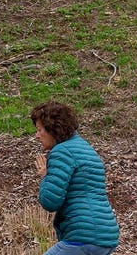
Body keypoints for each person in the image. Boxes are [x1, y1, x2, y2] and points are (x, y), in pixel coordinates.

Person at [30, 101, 119, 255]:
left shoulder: (62, 152)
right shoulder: (84, 148)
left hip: (83, 236)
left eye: (39, 130)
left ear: (53, 128)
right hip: (105, 235)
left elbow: (50, 201)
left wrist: (45, 176)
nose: (37, 136)